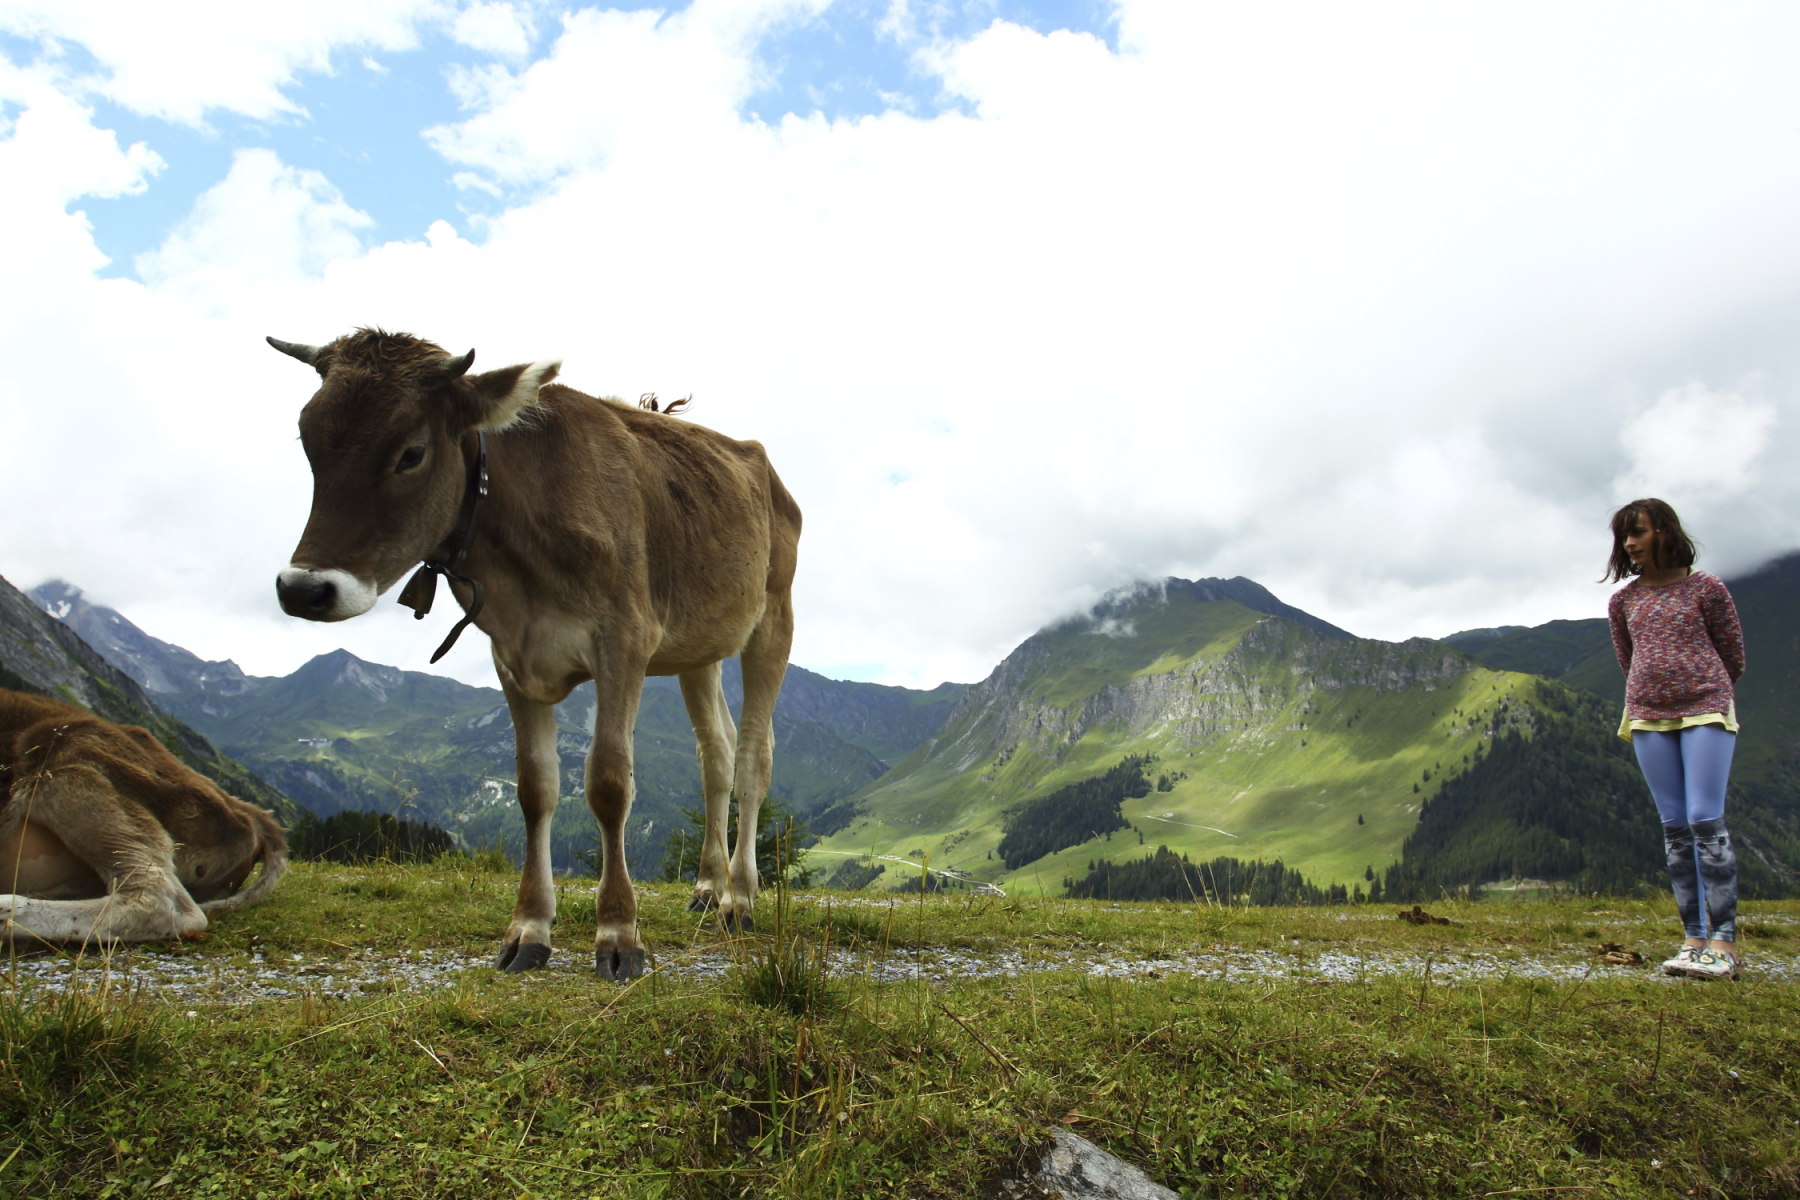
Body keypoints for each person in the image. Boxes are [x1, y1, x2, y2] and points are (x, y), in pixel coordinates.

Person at [1604, 498, 1746, 980]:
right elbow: (1629, 658)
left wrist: (1702, 686)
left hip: (1705, 706)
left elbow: (1733, 653)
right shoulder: (1623, 600)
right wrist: (1653, 690)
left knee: (1706, 817)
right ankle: (1693, 940)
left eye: (1637, 532)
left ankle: (1723, 946)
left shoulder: (1706, 587)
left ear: (1664, 531)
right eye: (1624, 535)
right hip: (1646, 714)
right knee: (1675, 825)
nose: (1628, 543)